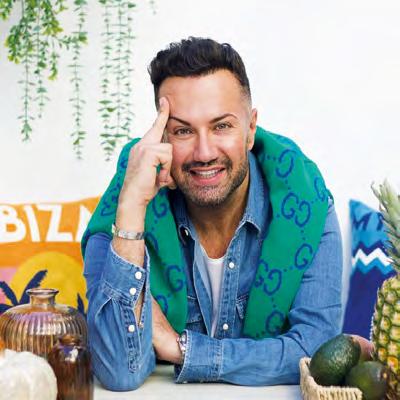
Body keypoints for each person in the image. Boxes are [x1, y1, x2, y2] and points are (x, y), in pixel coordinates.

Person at [82, 37, 342, 391]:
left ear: (250, 129)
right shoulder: (122, 208)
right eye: (183, 131)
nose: (204, 153)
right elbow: (119, 370)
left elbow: (316, 353)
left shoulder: (306, 204)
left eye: (221, 126)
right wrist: (131, 209)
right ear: (162, 138)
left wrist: (181, 349)